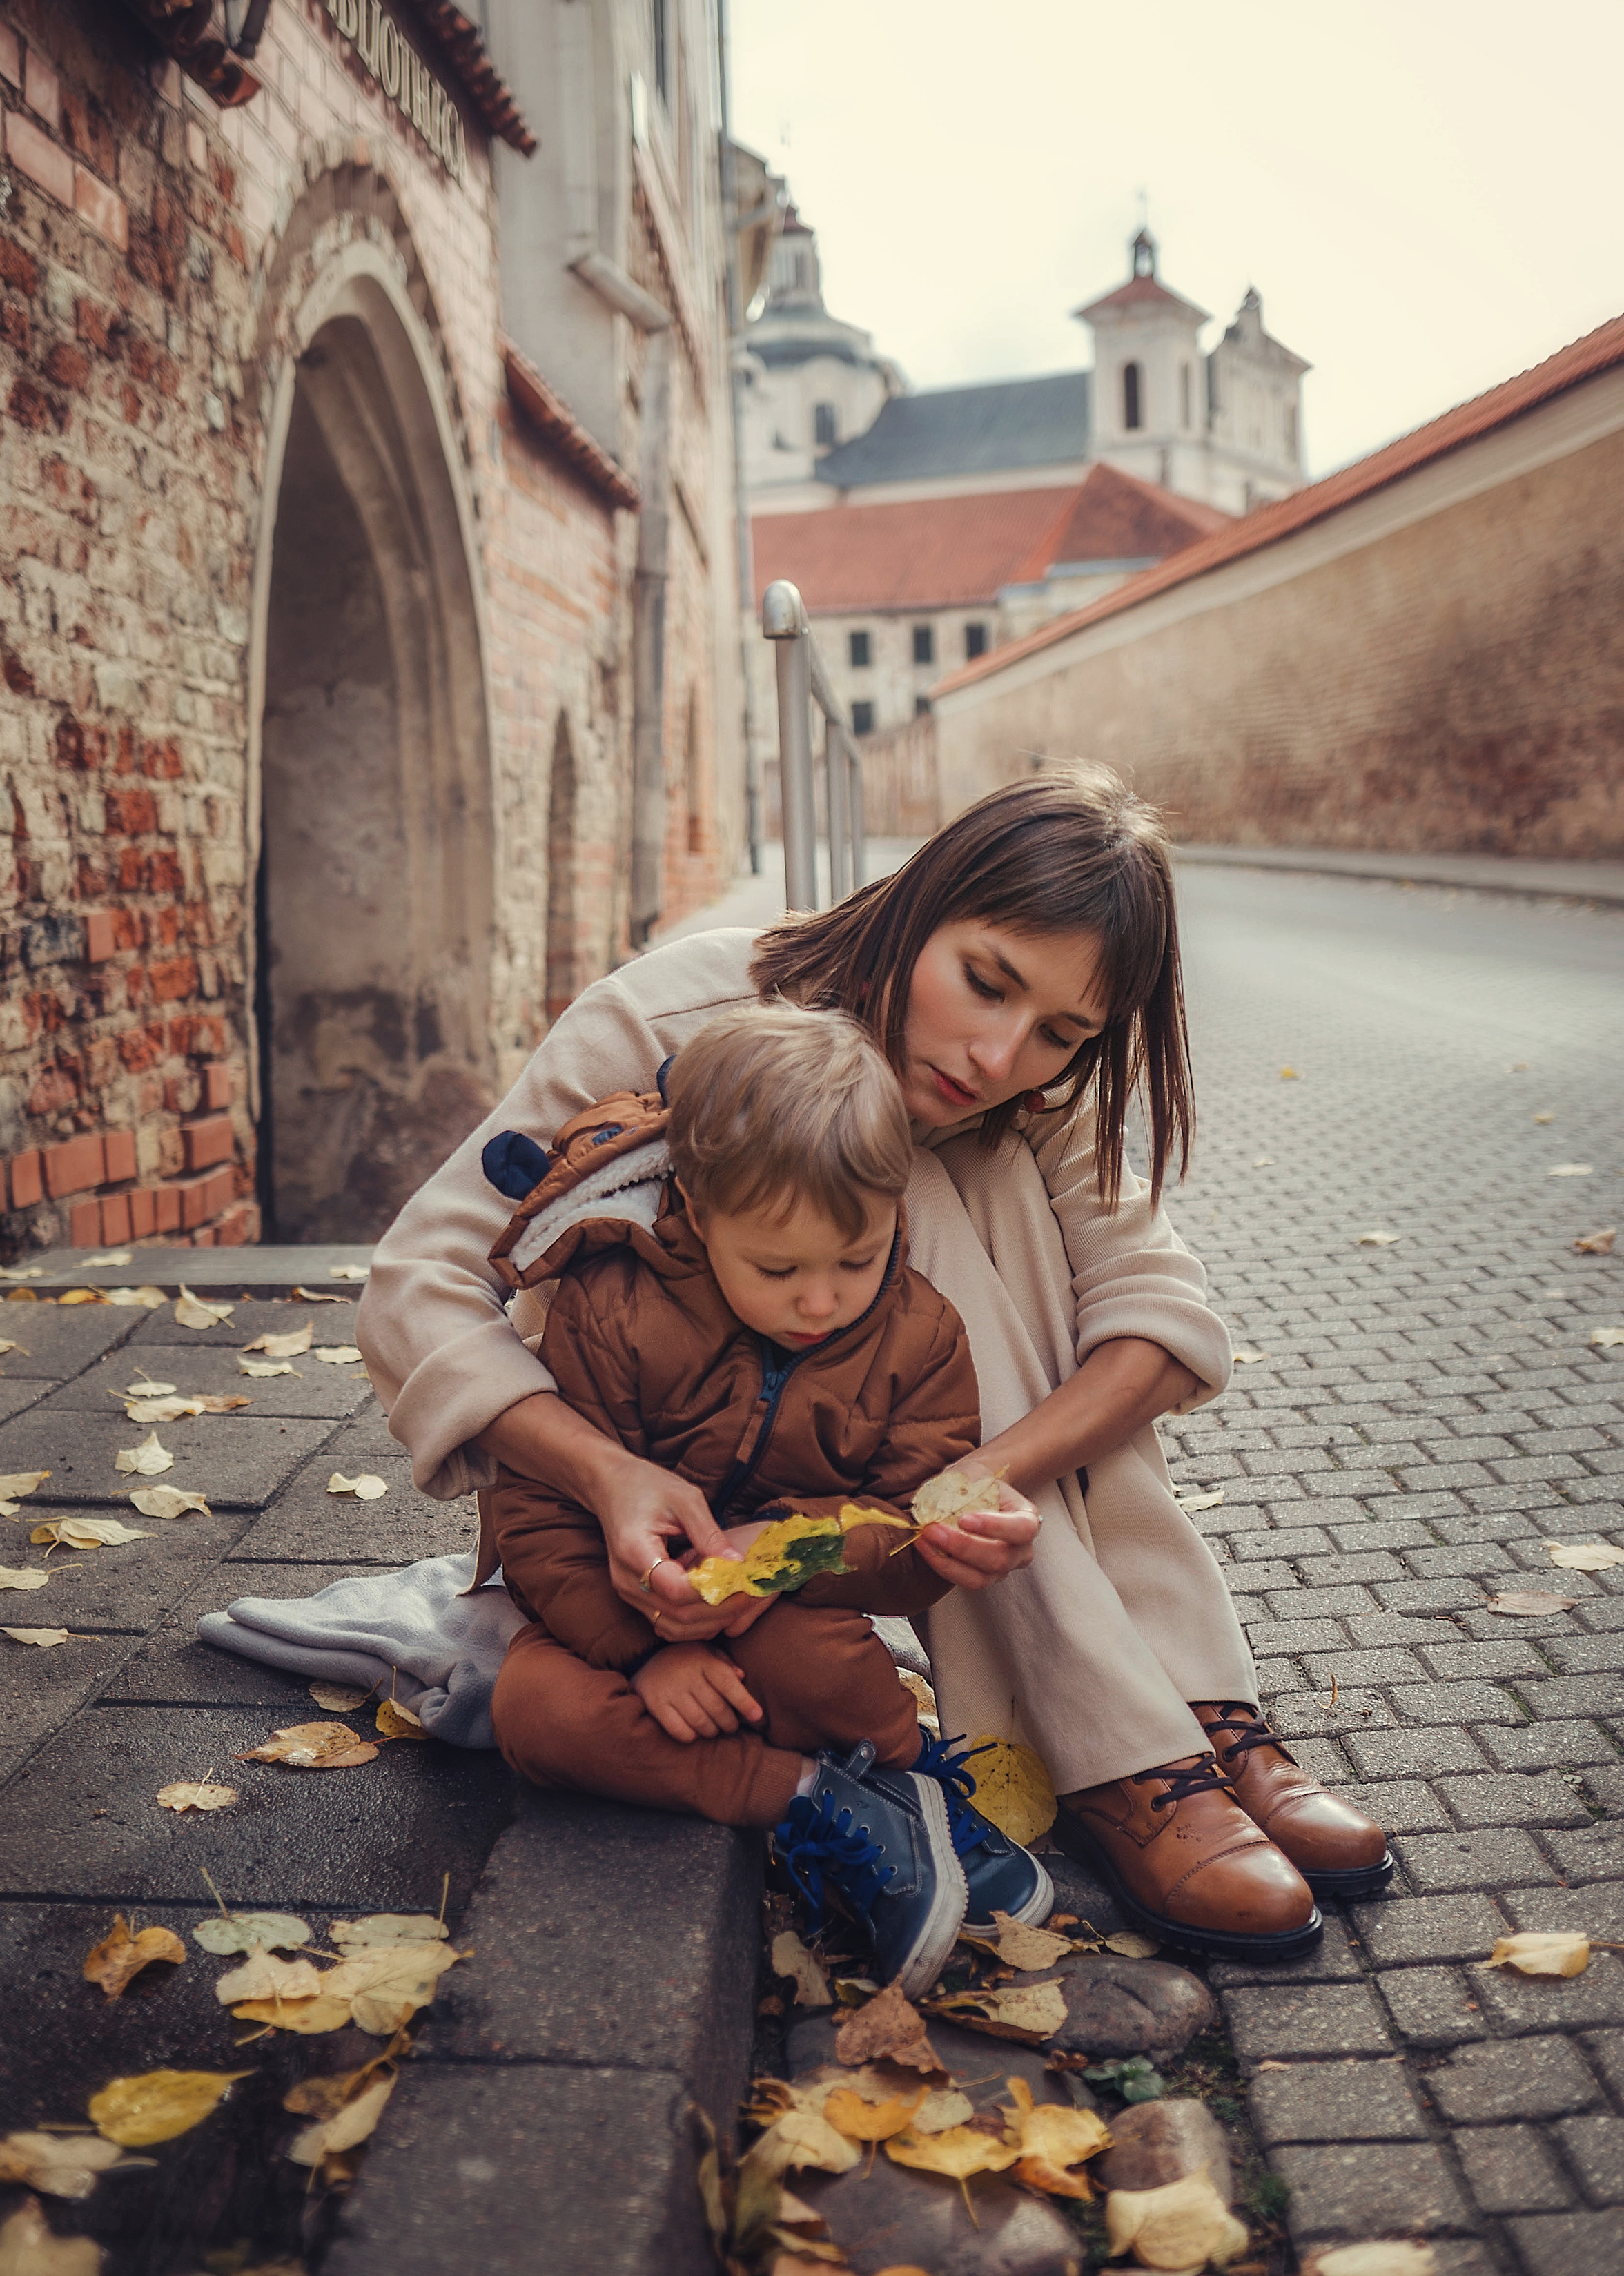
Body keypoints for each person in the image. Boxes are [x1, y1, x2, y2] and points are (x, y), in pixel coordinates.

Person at [360, 763, 1390, 1962]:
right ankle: (1126, 1754)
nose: (1002, 1054)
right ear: (918, 901)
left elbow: (1160, 1319)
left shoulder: (1031, 1091)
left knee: (1014, 1198)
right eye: (985, 982)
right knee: (918, 1183)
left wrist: (965, 1486)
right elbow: (419, 1282)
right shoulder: (673, 1015)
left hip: (850, 1511)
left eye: (1063, 1033)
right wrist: (602, 1475)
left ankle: (1192, 1714)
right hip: (660, 1497)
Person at [483, 1002, 1053, 2000]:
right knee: (534, 1711)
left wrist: (797, 1551)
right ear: (698, 1214)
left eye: (857, 1258)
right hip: (610, 1622)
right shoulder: (611, 1305)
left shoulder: (919, 1337)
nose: (822, 1301)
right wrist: (650, 1650)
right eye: (778, 1269)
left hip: (793, 1624)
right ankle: (815, 1803)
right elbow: (535, 1510)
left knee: (811, 1655)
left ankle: (906, 1772)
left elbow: (907, 1535)